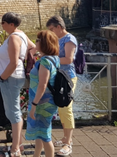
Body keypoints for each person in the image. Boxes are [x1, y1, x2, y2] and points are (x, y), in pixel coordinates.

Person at [0, 12, 34, 157]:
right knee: (14, 111)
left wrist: (2, 77)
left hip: (10, 78)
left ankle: (15, 150)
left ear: (11, 24)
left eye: (3, 22)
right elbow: (33, 47)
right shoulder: (21, 35)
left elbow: (14, 62)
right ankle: (17, 144)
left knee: (13, 113)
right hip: (16, 77)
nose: (2, 25)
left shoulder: (13, 38)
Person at [45, 16, 78, 156]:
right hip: (58, 77)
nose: (51, 32)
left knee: (66, 108)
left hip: (67, 78)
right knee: (60, 107)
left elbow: (69, 59)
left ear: (59, 26)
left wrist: (50, 58)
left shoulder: (69, 39)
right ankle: (65, 137)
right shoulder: (57, 39)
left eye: (52, 29)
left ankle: (68, 143)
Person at [25, 30, 60, 157]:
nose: (36, 42)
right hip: (46, 100)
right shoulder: (54, 59)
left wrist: (34, 105)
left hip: (42, 102)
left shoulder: (45, 62)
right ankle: (36, 155)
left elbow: (42, 85)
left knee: (45, 135)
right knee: (40, 132)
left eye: (38, 40)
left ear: (45, 43)